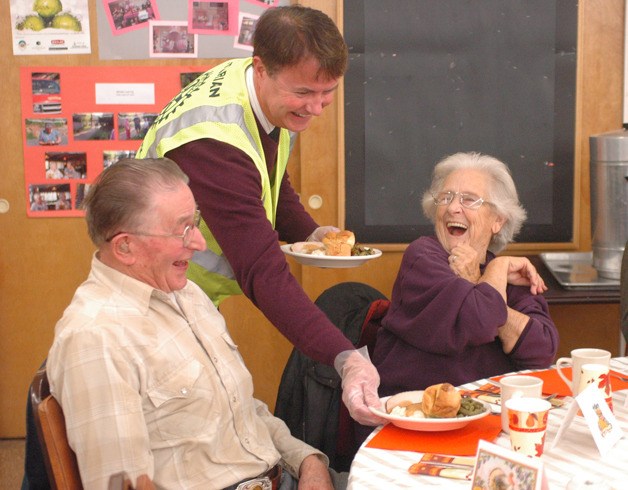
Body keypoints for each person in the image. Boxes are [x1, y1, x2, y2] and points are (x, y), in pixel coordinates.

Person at [136, 5, 383, 426]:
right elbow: (263, 274)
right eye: (305, 93)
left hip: (190, 289)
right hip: (154, 291)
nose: (317, 107)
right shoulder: (214, 143)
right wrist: (345, 358)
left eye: (328, 92)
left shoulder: (257, 89)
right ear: (261, 68)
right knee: (171, 423)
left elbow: (268, 178)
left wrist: (310, 232)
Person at [46, 158, 342, 489]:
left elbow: (242, 413)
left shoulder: (187, 294)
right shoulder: (97, 338)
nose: (199, 243)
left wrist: (307, 462)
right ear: (125, 246)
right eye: (180, 230)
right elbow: (122, 484)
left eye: (195, 222)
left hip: (282, 474)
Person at [370, 152, 559, 399]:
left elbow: (542, 351)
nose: (452, 207)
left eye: (469, 200)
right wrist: (497, 270)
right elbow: (479, 321)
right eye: (446, 197)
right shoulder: (424, 258)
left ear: (498, 221)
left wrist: (482, 278)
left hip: (486, 417)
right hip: (419, 416)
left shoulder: (509, 276)